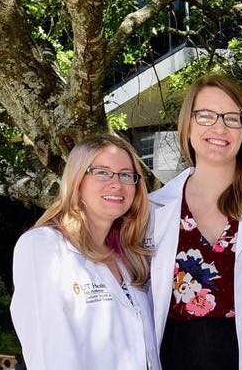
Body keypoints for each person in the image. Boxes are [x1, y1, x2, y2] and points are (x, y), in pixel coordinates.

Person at [147, 76, 242, 370]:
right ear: (188, 124)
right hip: (175, 358)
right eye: (206, 115)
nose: (219, 128)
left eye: (232, 118)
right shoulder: (153, 209)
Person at [10, 134, 159, 370]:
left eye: (125, 175)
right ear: (77, 179)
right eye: (102, 172)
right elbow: (48, 353)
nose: (116, 183)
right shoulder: (43, 247)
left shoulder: (131, 255)